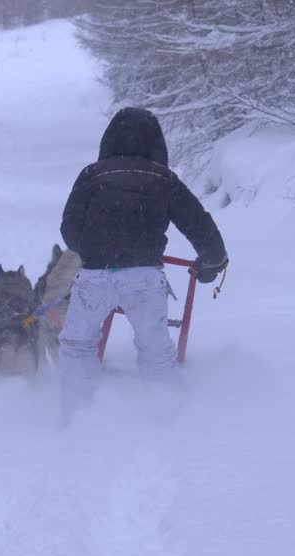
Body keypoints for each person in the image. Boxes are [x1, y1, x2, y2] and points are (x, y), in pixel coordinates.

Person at [57, 107, 228, 417]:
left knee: (78, 345)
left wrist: (95, 250)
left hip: (95, 277)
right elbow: (197, 223)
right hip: (145, 279)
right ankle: (166, 418)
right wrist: (212, 262)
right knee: (156, 352)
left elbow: (69, 228)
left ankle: (76, 416)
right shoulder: (164, 179)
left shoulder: (91, 175)